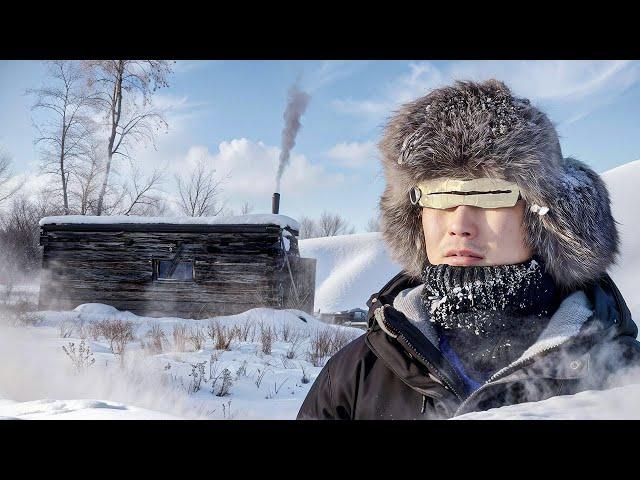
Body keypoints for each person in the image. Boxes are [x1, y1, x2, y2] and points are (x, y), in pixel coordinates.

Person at [297, 79, 640, 420]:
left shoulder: (623, 376)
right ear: (415, 215)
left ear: (544, 216)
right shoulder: (356, 375)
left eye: (492, 195)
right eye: (439, 196)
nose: (459, 224)